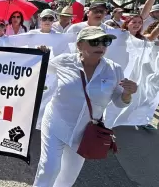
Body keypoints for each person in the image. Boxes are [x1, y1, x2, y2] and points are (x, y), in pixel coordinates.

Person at [33, 26, 138, 187]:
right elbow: (41, 66)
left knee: (68, 177)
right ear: (80, 45)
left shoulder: (114, 70)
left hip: (84, 132)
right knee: (49, 168)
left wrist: (127, 94)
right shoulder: (64, 61)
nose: (101, 46)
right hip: (56, 123)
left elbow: (119, 101)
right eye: (95, 41)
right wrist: (41, 54)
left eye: (105, 42)